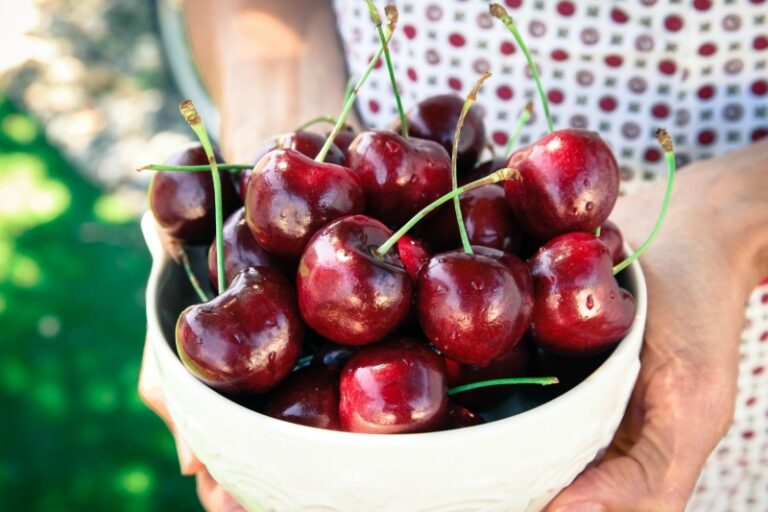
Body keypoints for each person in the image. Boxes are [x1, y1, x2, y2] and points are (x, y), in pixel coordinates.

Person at [139, 1, 768, 510]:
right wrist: (276, 141)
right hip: (383, 162)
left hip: (715, 314)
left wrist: (729, 216)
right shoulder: (368, 222)